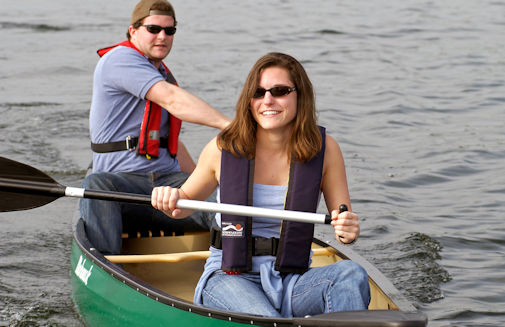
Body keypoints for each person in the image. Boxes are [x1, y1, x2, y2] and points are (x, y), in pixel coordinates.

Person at [151, 52, 371, 317]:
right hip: (229, 278)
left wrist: (348, 228)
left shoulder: (326, 151)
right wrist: (168, 198)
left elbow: (343, 222)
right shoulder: (223, 148)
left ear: (300, 95)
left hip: (292, 280)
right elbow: (183, 204)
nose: (268, 100)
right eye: (258, 92)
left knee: (351, 273)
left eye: (279, 91)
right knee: (269, 321)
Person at [79, 0, 230, 255]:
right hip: (124, 190)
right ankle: (105, 263)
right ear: (133, 31)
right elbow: (173, 100)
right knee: (95, 184)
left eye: (169, 31)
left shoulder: (162, 73)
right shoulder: (121, 59)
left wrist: (205, 182)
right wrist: (232, 126)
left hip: (169, 188)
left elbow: (170, 143)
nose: (162, 36)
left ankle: (239, 260)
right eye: (154, 29)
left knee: (228, 197)